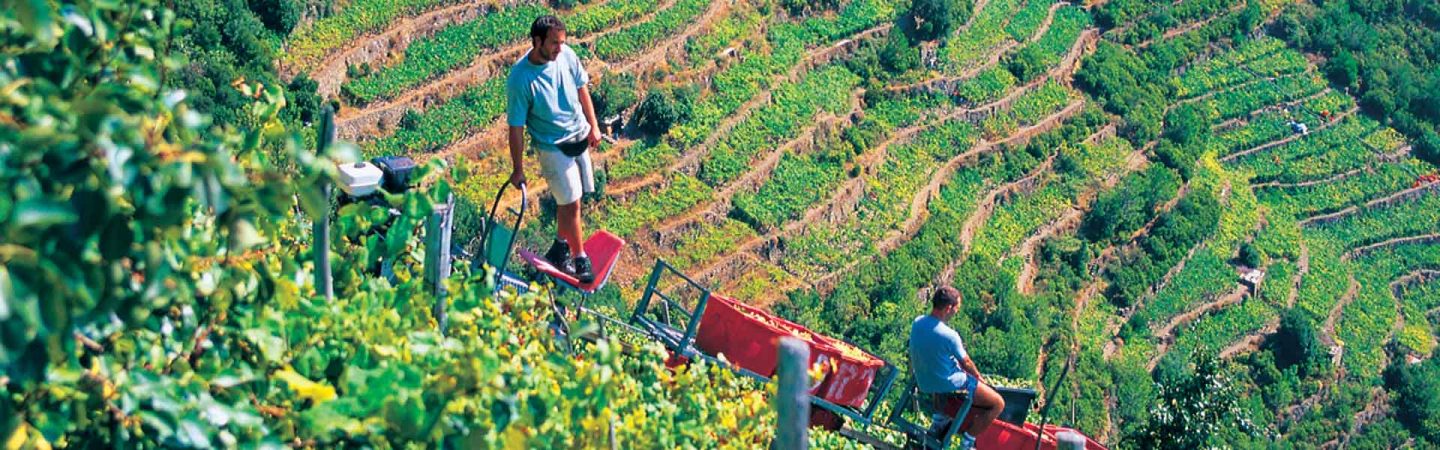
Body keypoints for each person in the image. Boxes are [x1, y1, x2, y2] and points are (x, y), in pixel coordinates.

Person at [506, 15, 604, 283]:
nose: (559, 48)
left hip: (579, 135)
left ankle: (560, 247)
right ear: (537, 41)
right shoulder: (520, 79)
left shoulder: (567, 55)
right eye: (554, 43)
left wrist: (593, 125)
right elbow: (516, 128)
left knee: (574, 198)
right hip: (552, 147)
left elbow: (582, 88)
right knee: (571, 203)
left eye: (562, 42)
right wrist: (518, 170)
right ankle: (580, 257)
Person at [909, 286, 1005, 450]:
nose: (956, 312)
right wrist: (979, 379)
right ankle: (968, 442)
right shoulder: (950, 335)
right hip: (947, 383)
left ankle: (939, 422)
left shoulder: (918, 322)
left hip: (925, 381)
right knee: (998, 403)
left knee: (940, 369)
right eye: (956, 308)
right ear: (948, 308)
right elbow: (966, 362)